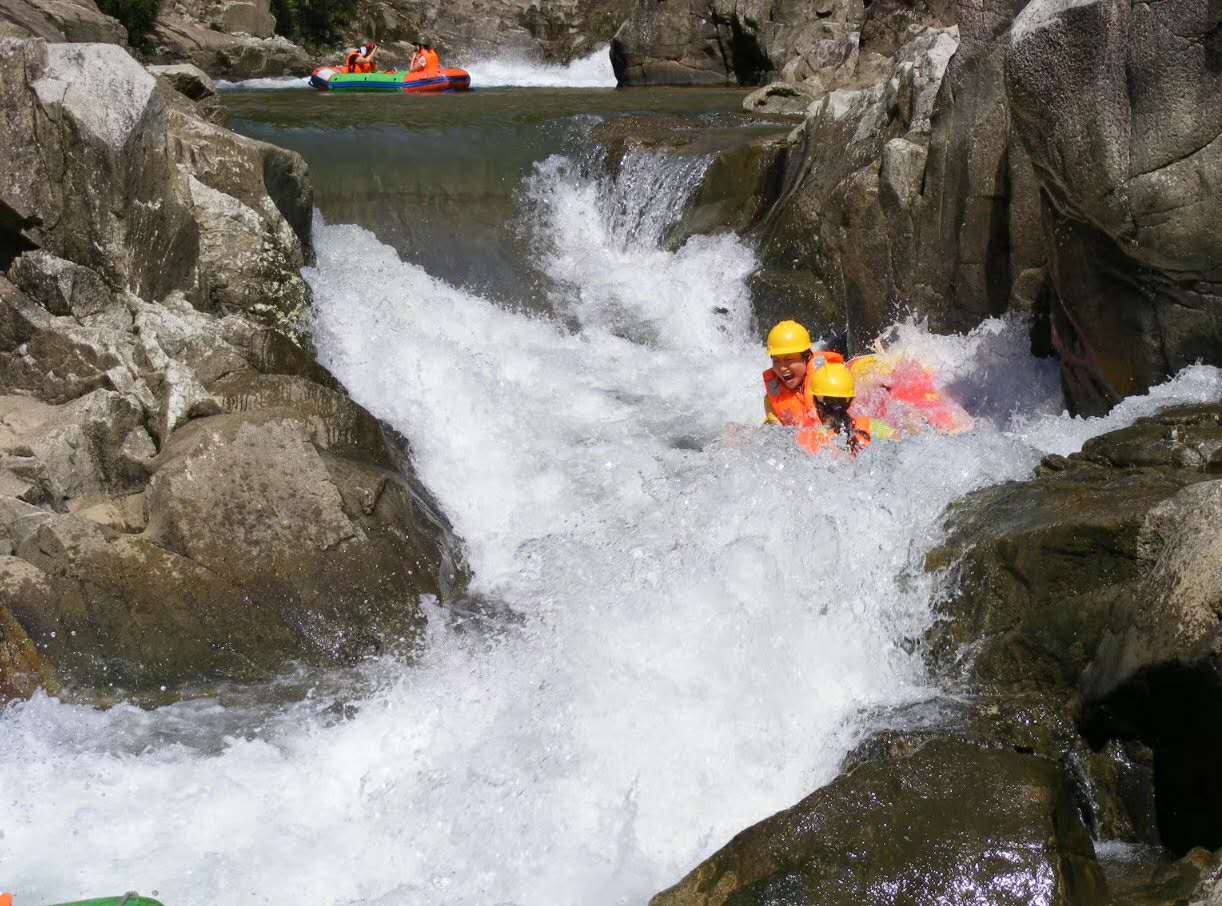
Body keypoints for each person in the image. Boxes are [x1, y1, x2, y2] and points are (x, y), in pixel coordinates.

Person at [762, 320, 844, 428]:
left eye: (789, 359)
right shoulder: (772, 398)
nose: (781, 367)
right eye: (776, 361)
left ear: (806, 357)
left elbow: (838, 421)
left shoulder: (828, 380)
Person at [796, 362, 888, 456]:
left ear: (814, 400)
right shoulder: (872, 427)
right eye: (828, 401)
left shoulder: (806, 437)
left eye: (839, 402)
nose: (834, 408)